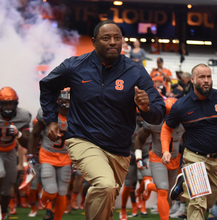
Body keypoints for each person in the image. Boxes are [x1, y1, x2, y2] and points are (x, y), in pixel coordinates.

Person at [39, 20, 165, 220]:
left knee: (107, 198)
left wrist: (146, 108)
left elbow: (159, 111)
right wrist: (51, 119)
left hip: (120, 149)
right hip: (82, 139)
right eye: (106, 38)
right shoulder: (74, 66)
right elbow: (47, 86)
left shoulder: (135, 71)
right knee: (105, 185)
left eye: (117, 38)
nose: (113, 42)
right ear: (94, 42)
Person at [162, 63, 217, 220]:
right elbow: (166, 128)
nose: (206, 80)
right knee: (197, 202)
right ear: (192, 79)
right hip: (194, 158)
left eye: (209, 76)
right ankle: (187, 180)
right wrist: (165, 150)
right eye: (202, 77)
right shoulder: (181, 105)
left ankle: (184, 183)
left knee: (210, 202)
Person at [135, 97, 185, 220]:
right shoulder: (155, 122)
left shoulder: (184, 122)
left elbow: (189, 141)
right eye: (167, 116)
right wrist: (138, 158)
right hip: (158, 157)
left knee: (168, 192)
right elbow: (139, 138)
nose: (169, 119)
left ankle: (149, 186)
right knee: (163, 190)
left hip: (175, 158)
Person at [28, 88, 72, 220]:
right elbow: (34, 134)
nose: (68, 99)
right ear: (58, 97)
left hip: (66, 158)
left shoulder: (78, 115)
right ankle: (44, 196)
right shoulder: (47, 113)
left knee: (62, 192)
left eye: (70, 96)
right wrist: (30, 156)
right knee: (52, 191)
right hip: (48, 155)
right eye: (65, 96)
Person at [0, 87, 31, 219]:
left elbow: (26, 142)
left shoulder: (23, 116)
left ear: (16, 104)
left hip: (10, 152)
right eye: (5, 104)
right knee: (0, 172)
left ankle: (4, 211)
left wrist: (18, 134)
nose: (8, 107)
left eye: (10, 103)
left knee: (7, 189)